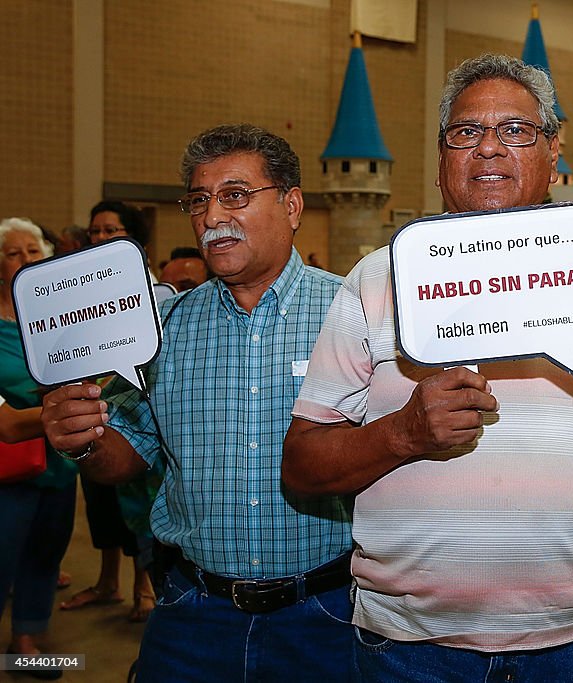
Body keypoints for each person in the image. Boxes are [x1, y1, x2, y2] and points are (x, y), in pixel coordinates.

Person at [283, 54, 573, 683]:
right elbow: (301, 467)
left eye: (515, 131)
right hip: (408, 651)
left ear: (554, 156)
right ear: (441, 163)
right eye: (466, 132)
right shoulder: (376, 281)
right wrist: (403, 434)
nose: (488, 149)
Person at [41, 123, 355, 682]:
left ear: (292, 205)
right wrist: (83, 440)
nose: (211, 218)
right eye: (199, 200)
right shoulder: (161, 331)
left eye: (235, 195)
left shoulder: (353, 316)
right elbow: (127, 457)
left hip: (329, 615)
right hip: (193, 615)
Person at [61, 200, 157, 622]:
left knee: (138, 509)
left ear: (133, 238)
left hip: (137, 416)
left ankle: (146, 584)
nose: (100, 238)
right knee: (101, 505)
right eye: (95, 231)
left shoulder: (155, 294)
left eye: (111, 231)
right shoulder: (75, 294)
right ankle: (107, 581)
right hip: (91, 416)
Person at [0, 217, 77, 679]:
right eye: (14, 253)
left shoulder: (55, 321)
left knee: (46, 551)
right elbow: (6, 425)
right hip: (8, 469)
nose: (26, 260)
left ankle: (25, 641)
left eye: (34, 251)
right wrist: (59, 409)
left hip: (58, 463)